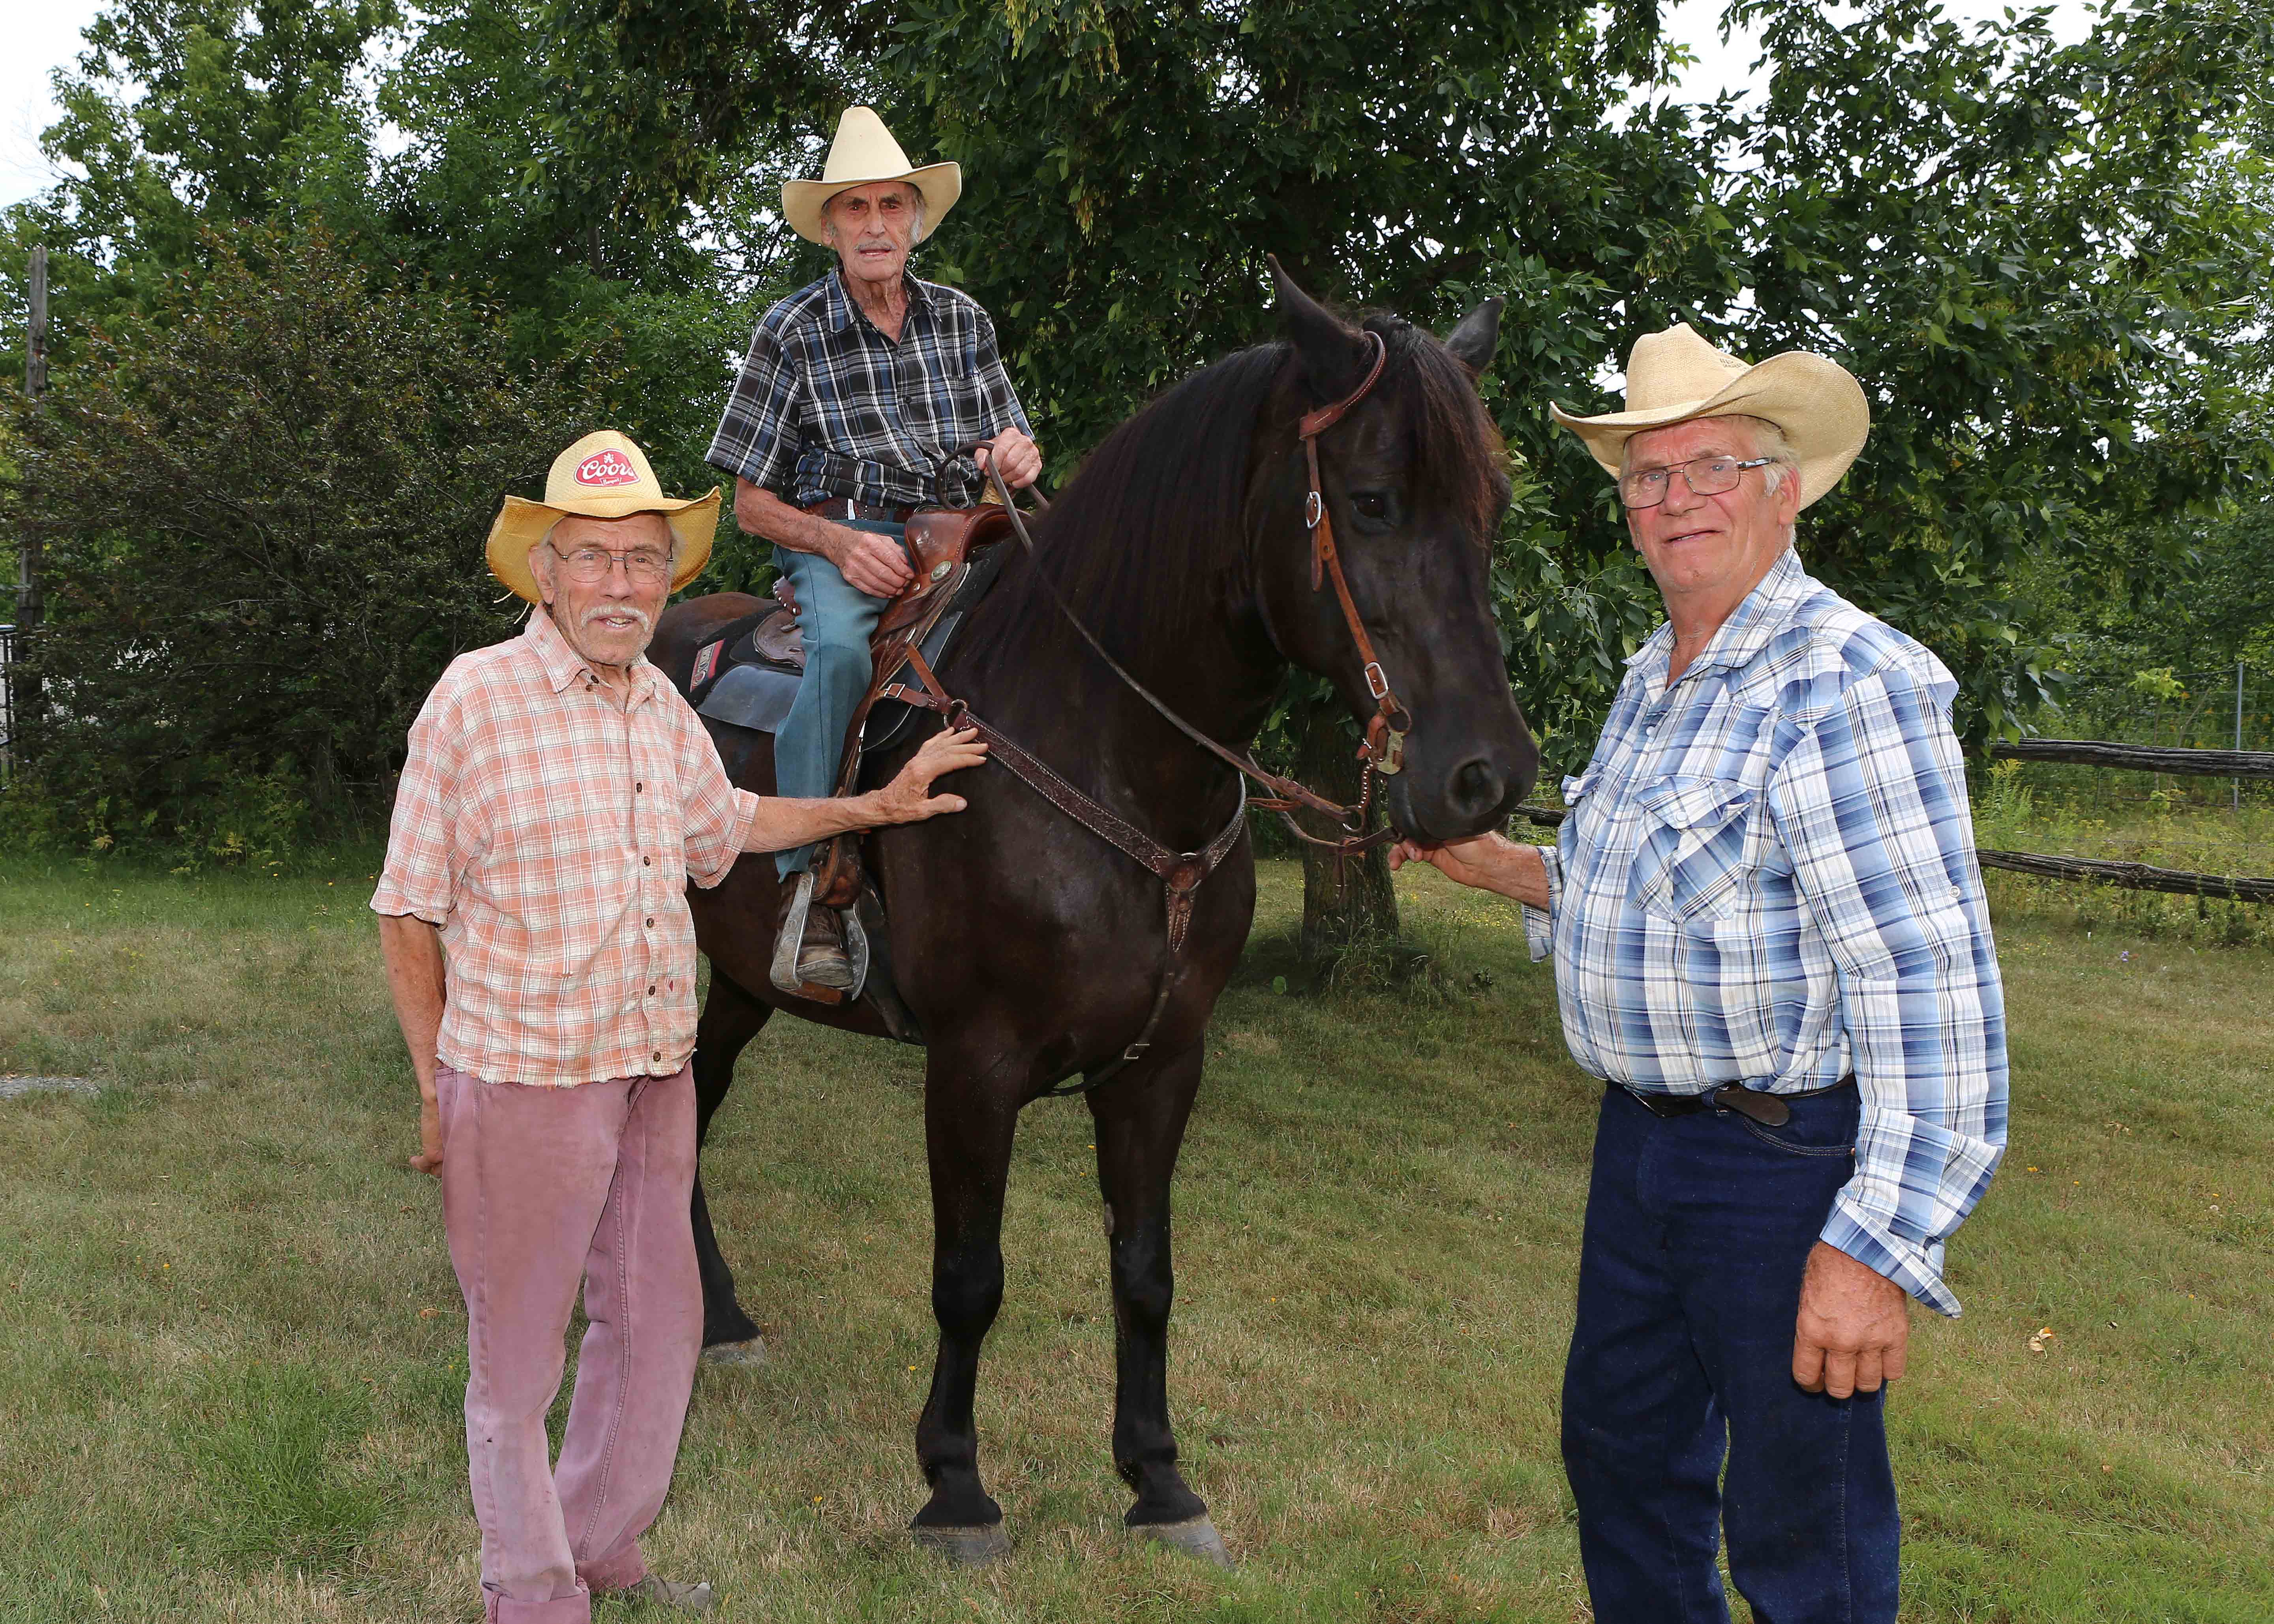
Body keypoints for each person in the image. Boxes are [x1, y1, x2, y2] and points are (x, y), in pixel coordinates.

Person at [1395, 326, 2008, 1622]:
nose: (1680, 501)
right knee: (1624, 1469)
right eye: (1649, 477)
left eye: (1713, 466)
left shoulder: (1848, 681)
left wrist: (1877, 1249)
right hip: (1643, 1154)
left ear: (1784, 486)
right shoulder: (1654, 677)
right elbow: (1670, 899)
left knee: (1803, 1533)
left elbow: (1929, 984)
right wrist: (1508, 869)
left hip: (1783, 1172)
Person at [371, 430, 985, 1623]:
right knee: (517, 1364)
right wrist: (434, 1088)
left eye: (644, 560)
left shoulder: (659, 699)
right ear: (543, 572)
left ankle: (605, 1547)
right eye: (593, 559)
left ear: (665, 579)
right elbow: (407, 910)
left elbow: (732, 824)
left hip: (656, 1074)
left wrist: (877, 803)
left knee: (657, 1329)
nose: (620, 583)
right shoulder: (474, 699)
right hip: (527, 1077)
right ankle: (533, 1596)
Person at [706, 105, 1041, 990]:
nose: (877, 225)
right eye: (856, 209)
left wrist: (1012, 453)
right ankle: (814, 882)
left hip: (960, 535)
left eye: (893, 206)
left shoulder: (963, 320)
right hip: (840, 538)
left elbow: (1007, 444)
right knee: (843, 659)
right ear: (830, 227)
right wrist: (837, 543)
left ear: (916, 220)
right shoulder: (791, 330)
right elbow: (748, 502)